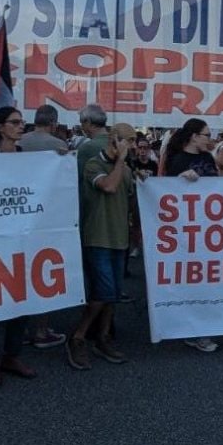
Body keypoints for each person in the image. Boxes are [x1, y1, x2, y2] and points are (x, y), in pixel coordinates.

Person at [0, 106, 40, 388]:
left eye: (22, 122)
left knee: (20, 299)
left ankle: (12, 355)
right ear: (0, 127)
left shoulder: (25, 157)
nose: (20, 126)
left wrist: (59, 161)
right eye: (14, 122)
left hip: (21, 240)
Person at [67, 124, 135, 370]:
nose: (132, 147)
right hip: (97, 237)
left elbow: (130, 196)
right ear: (114, 141)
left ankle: (103, 337)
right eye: (128, 141)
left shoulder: (126, 170)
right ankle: (77, 336)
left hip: (119, 238)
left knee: (113, 293)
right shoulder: (93, 165)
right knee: (102, 292)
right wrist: (121, 163)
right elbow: (109, 186)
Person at [164, 118, 221, 352]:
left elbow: (218, 188)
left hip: (210, 229)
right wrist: (179, 182)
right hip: (188, 232)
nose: (210, 139)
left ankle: (201, 328)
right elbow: (165, 195)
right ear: (194, 136)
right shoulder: (177, 161)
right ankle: (195, 330)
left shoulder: (207, 158)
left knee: (209, 280)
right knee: (194, 282)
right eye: (206, 134)